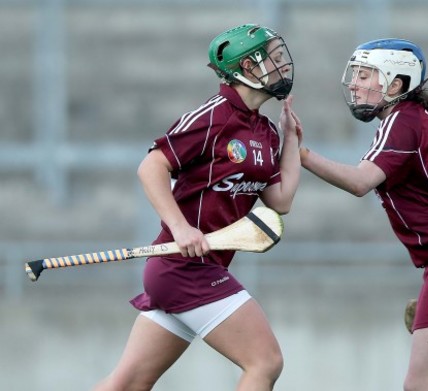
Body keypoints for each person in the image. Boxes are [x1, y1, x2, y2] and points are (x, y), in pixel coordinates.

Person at [93, 23, 302, 391]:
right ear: (246, 69)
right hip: (183, 266)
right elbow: (151, 166)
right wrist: (180, 227)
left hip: (196, 268)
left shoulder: (265, 132)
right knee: (265, 361)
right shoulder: (214, 116)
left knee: (126, 384)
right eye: (272, 58)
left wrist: (290, 140)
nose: (282, 65)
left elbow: (280, 201)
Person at [299, 39, 428, 391]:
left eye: (365, 75)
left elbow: (360, 182)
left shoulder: (401, 122)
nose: (354, 83)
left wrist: (301, 155)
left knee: (422, 386)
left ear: (395, 84)